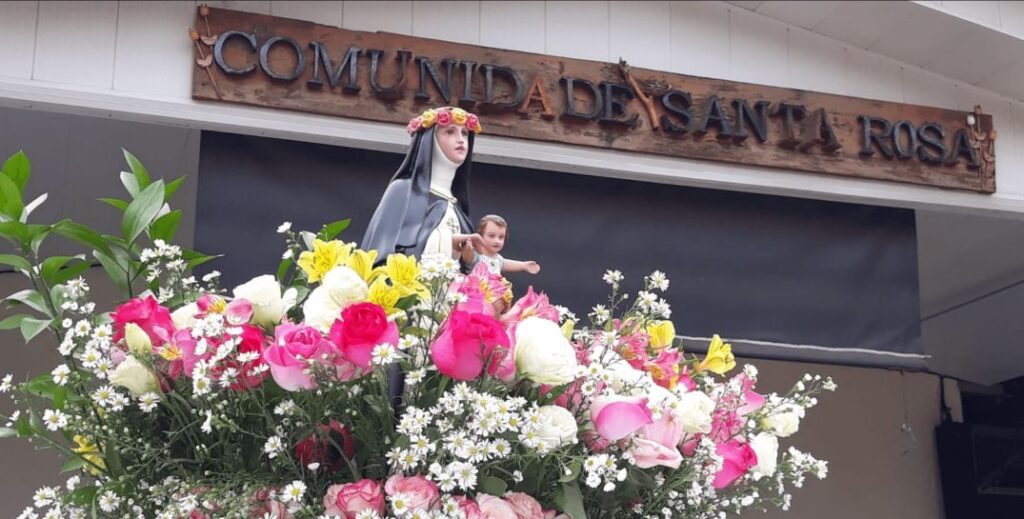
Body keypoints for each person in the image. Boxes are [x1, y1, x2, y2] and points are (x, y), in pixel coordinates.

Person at [361, 107, 485, 265]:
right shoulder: (402, 191)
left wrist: (469, 259)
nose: (460, 139)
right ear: (430, 140)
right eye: (450, 132)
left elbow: (468, 269)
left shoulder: (456, 205)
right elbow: (380, 255)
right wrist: (448, 243)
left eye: (465, 133)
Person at [469, 215, 541, 275]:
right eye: (491, 236)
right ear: (481, 236)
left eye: (501, 237)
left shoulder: (498, 259)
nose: (497, 241)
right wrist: (468, 245)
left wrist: (524, 265)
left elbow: (505, 263)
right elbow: (467, 255)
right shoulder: (476, 256)